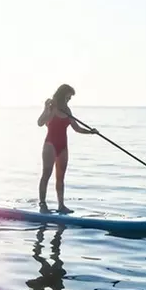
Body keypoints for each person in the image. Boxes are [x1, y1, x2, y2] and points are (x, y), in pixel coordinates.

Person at [36, 84, 97, 214]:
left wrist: (90, 132)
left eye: (70, 98)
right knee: (46, 174)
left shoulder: (67, 111)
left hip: (63, 146)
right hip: (50, 145)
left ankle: (61, 206)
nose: (69, 100)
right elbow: (40, 123)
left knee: (61, 177)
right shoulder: (51, 107)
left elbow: (77, 128)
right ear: (62, 95)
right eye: (68, 97)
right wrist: (46, 109)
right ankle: (42, 204)